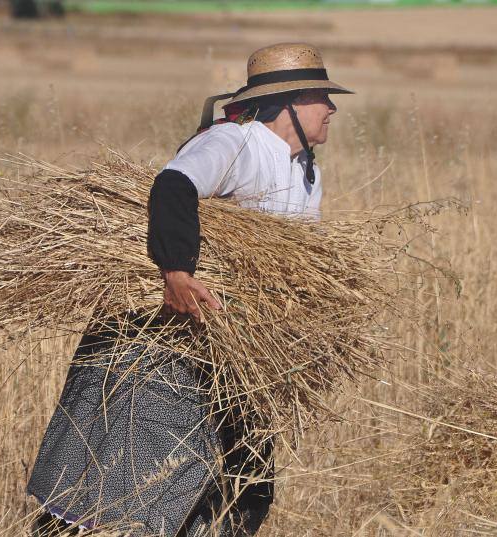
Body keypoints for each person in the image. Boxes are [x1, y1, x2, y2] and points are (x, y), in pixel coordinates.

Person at [26, 42, 352, 537]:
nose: (332, 108)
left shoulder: (307, 172)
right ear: (289, 103)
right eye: (321, 98)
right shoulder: (233, 143)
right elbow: (173, 186)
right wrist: (175, 272)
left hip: (239, 354)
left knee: (245, 488)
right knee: (129, 475)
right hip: (166, 341)